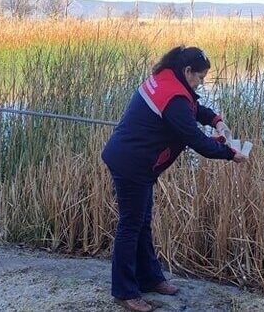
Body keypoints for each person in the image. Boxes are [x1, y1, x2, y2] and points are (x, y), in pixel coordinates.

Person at [102, 45, 247, 312]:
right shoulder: (173, 96)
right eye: (200, 77)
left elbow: (193, 107)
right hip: (131, 163)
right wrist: (229, 153)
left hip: (138, 162)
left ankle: (150, 278)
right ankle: (124, 291)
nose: (201, 83)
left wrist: (216, 120)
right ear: (187, 70)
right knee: (131, 225)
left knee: (142, 222)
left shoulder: (169, 78)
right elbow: (196, 141)